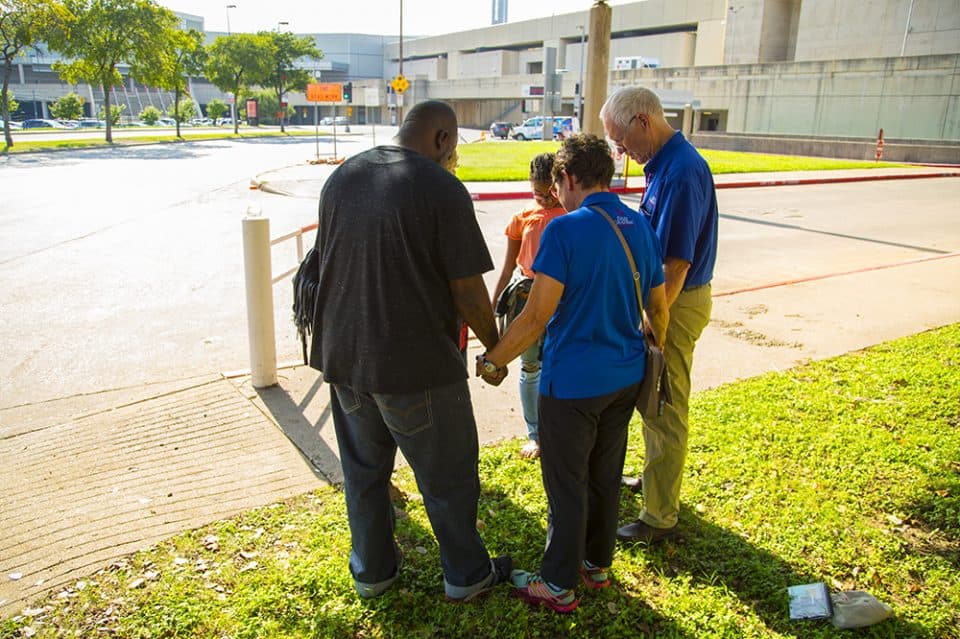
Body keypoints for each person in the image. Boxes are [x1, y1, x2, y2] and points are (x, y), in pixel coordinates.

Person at [309, 100, 512, 601]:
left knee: (363, 475)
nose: (455, 157)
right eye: (456, 147)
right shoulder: (442, 189)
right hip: (416, 366)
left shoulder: (344, 176)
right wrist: (498, 348)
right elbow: (468, 290)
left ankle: (372, 573)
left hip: (343, 358)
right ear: (443, 139)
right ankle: (466, 575)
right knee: (448, 480)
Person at [477, 133, 669, 612]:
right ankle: (596, 566)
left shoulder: (564, 230)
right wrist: (650, 344)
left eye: (557, 182)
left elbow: (536, 315)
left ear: (567, 177)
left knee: (565, 483)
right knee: (605, 474)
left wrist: (494, 358)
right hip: (625, 378)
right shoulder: (640, 225)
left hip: (572, 385)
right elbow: (659, 310)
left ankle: (558, 584)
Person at [601, 86, 719, 543]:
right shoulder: (664, 165)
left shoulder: (682, 172)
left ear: (643, 123)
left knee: (665, 405)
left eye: (622, 140)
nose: (620, 150)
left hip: (675, 302)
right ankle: (654, 483)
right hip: (664, 300)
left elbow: (675, 265)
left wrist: (654, 327)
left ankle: (659, 516)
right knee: (650, 400)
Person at [490, 153, 566, 459]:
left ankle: (558, 429)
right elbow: (508, 268)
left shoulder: (572, 215)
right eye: (538, 192)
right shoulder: (521, 218)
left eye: (551, 191)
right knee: (530, 366)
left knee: (560, 364)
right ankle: (534, 433)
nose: (546, 199)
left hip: (564, 296)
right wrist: (492, 306)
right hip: (526, 297)